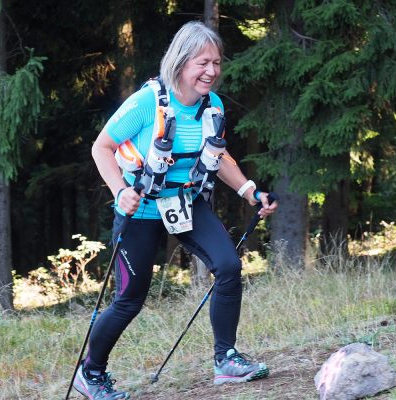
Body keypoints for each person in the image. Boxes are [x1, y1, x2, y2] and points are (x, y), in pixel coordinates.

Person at [73, 21, 278, 400]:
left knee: (229, 268)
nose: (211, 71)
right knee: (130, 299)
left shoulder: (211, 105)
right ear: (181, 62)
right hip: (140, 208)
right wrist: (120, 192)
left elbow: (219, 154)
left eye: (216, 63)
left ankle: (226, 360)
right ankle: (91, 373)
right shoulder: (146, 103)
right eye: (203, 63)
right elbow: (101, 148)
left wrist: (249, 190)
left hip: (185, 202)